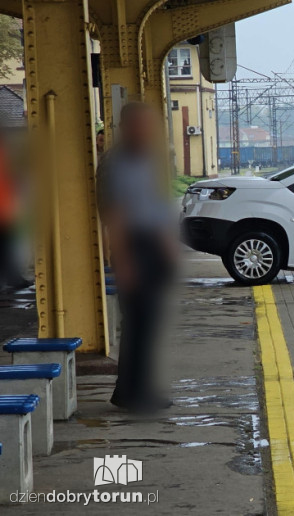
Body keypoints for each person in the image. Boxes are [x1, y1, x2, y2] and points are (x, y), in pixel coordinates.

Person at [97, 103, 176, 413]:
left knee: (151, 322)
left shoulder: (148, 160)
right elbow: (114, 214)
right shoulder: (114, 164)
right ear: (127, 127)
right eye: (142, 126)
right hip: (131, 246)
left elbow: (155, 204)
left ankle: (141, 387)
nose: (148, 132)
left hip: (153, 246)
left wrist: (167, 243)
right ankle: (129, 392)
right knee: (137, 322)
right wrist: (124, 260)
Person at [0, 129, 30, 291]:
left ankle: (11, 277)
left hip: (6, 208)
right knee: (6, 245)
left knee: (6, 245)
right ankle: (12, 277)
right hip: (4, 208)